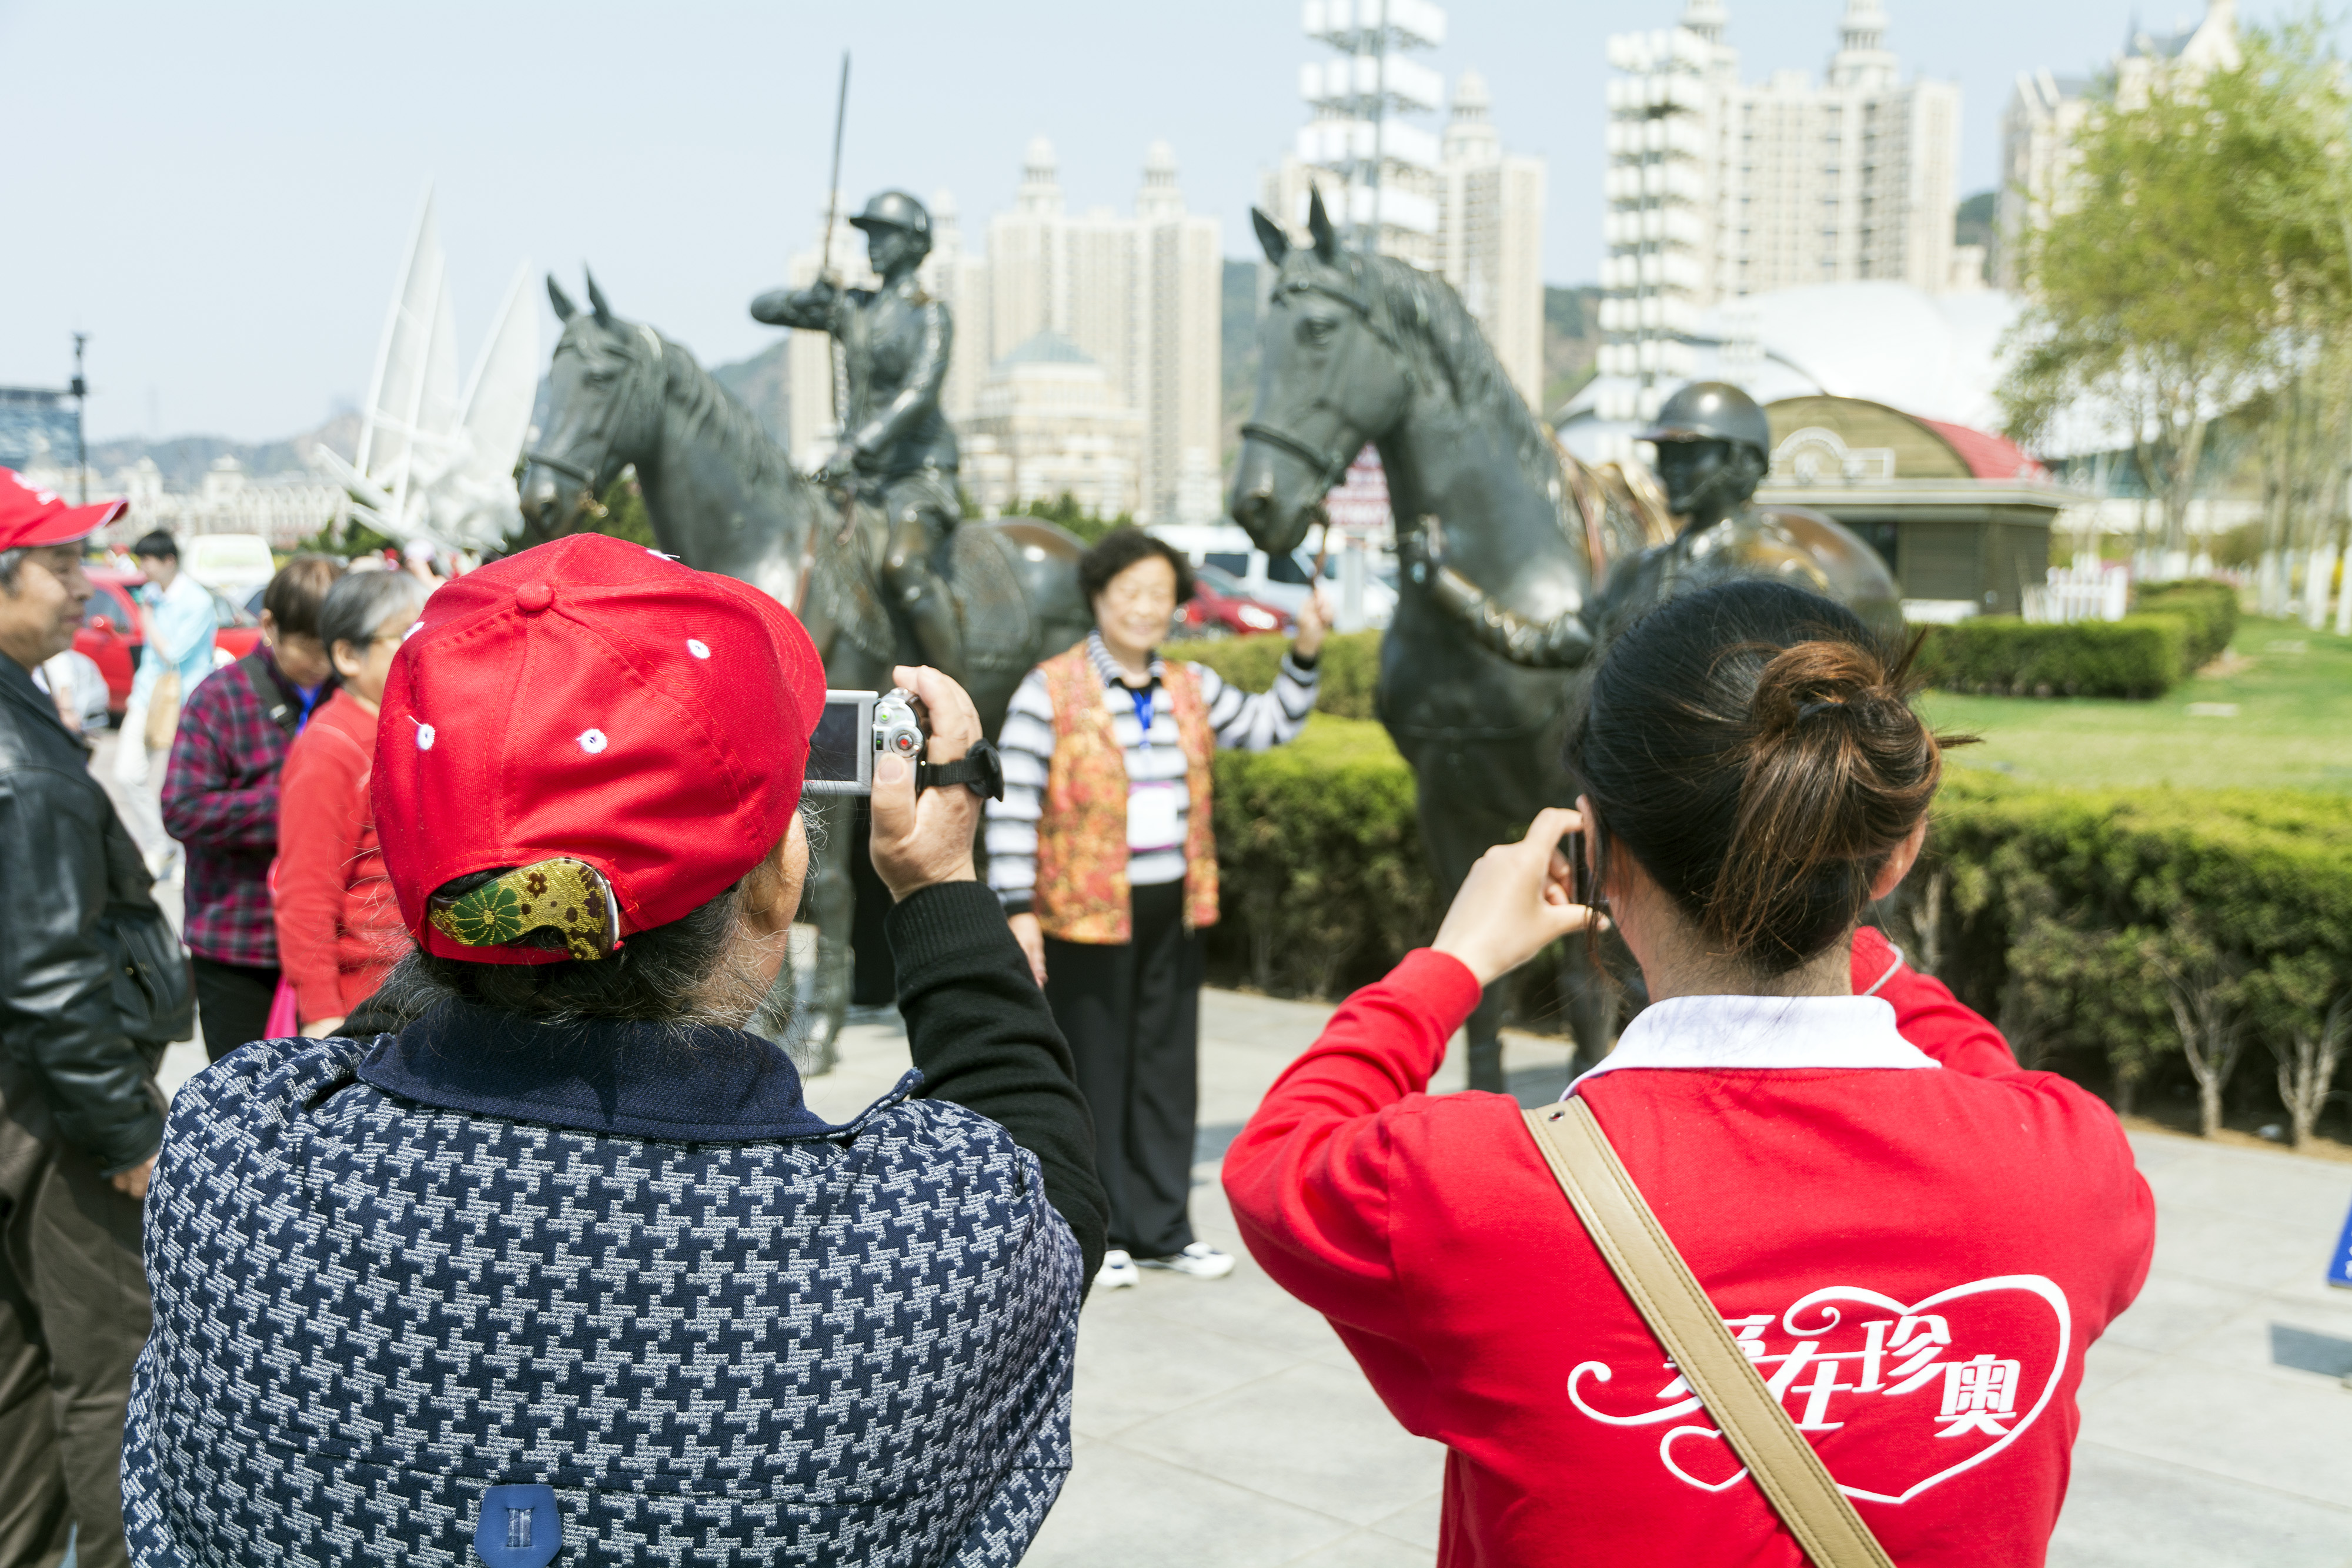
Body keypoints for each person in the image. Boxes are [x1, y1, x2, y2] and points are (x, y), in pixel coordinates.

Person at [123, 531, 1107, 1563]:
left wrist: (466, 915)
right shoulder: (922, 1255)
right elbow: (1050, 1190)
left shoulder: (231, 1157)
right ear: (779, 876)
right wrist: (936, 880)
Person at [1225, 580, 2154, 1567]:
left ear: (1599, 852)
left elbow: (1279, 1156)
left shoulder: (1470, 1193)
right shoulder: (2067, 1169)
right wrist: (1860, 940)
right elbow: (1985, 1082)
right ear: (1897, 855)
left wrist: (1453, 960)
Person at [987, 525, 1325, 1290]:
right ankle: (1095, 1228)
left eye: (1160, 594)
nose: (1145, 608)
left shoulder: (1190, 684)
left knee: (1167, 1069)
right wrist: (1017, 908)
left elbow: (1275, 722)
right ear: (1099, 597)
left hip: (1172, 902)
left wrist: (1303, 654)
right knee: (1095, 1069)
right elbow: (1013, 807)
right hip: (1082, 906)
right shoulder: (1052, 686)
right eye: (1129, 592)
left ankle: (1166, 1226)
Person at [0, 468, 191, 1567]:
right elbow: (46, 973)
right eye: (61, 563)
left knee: (22, 1373)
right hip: (59, 1105)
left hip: (26, 1089)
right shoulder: (22, 760)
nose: (87, 586)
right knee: (111, 1368)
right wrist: (125, 1132)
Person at [751, 190, 965, 680]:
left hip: (917, 472)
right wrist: (809, 299)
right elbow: (761, 310)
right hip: (859, 478)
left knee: (902, 566)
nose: (873, 244)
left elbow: (919, 392)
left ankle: (954, 687)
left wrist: (856, 446)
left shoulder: (930, 313)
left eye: (885, 235)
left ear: (915, 244)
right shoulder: (853, 307)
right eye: (869, 234)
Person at [160, 555, 342, 1061]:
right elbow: (183, 808)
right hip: (240, 939)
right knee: (240, 1102)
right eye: (309, 646)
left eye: (333, 646)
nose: (323, 662)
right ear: (269, 626)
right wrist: (297, 807)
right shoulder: (220, 698)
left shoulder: (350, 694)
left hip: (331, 943)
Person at [271, 570, 427, 1039]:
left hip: (416, 991)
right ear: (347, 655)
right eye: (404, 635)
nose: (422, 647)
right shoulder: (330, 747)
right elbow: (306, 891)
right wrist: (322, 1013)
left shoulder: (408, 727)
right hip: (365, 1005)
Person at [113, 530, 219, 880]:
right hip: (147, 695)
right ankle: (161, 845)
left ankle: (185, 857)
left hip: (185, 701)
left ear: (169, 561)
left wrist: (146, 617)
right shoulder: (153, 594)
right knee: (126, 774)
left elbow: (173, 653)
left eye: (148, 560)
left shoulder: (197, 601)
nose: (143, 567)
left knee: (182, 784)